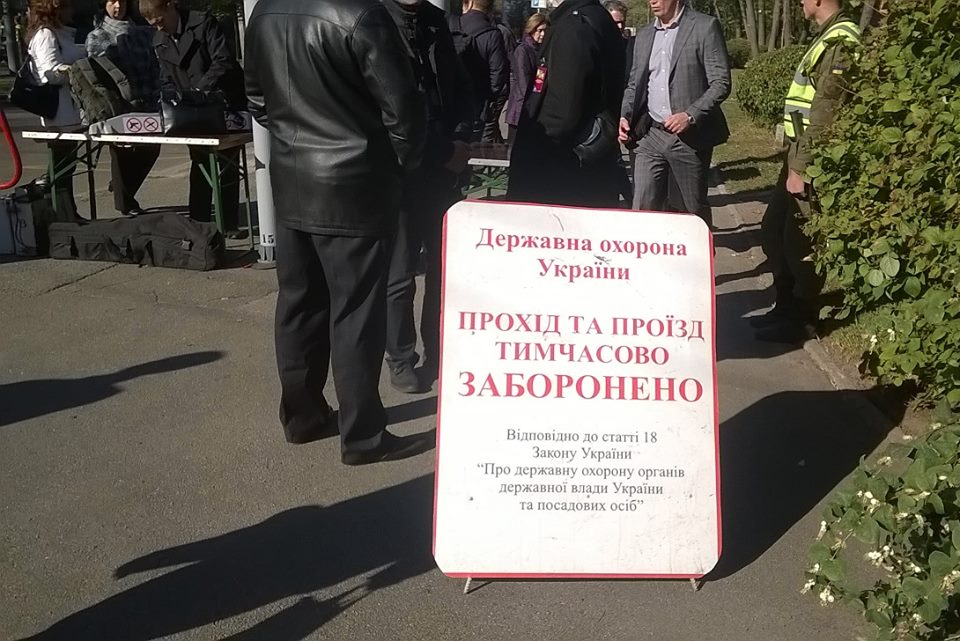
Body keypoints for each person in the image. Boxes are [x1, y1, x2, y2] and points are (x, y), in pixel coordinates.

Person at [245, 0, 429, 464]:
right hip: (354, 185)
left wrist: (297, 137)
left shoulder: (265, 11)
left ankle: (303, 417)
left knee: (298, 305)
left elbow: (257, 100)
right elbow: (403, 111)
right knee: (356, 312)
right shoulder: (362, 14)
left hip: (292, 179)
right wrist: (399, 168)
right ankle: (363, 436)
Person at [752, 0, 860, 344]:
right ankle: (784, 307)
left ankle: (802, 318)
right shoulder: (827, 35)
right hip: (796, 152)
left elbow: (826, 113)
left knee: (800, 240)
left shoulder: (842, 40)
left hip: (812, 159)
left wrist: (801, 168)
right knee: (774, 231)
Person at [381, 0, 474, 394]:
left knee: (442, 267)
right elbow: (390, 110)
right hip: (400, 167)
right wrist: (444, 150)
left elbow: (459, 89)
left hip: (442, 167)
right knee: (400, 273)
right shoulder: (375, 18)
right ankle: (401, 358)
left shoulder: (436, 22)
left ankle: (439, 350)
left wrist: (462, 136)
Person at [139, 0, 246, 238]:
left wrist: (200, 90)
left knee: (227, 164)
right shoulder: (160, 40)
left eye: (160, 21)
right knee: (200, 163)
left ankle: (228, 224)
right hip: (190, 110)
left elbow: (223, 60)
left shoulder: (204, 23)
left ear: (170, 6)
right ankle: (198, 223)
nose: (159, 27)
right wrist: (175, 99)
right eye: (153, 24)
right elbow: (166, 77)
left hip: (223, 102)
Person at [619, 0, 731, 227]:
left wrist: (690, 115)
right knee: (642, 207)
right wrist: (625, 115)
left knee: (693, 211)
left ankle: (700, 248)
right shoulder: (644, 35)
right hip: (650, 135)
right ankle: (647, 248)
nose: (653, 1)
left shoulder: (704, 27)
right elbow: (634, 83)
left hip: (688, 138)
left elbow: (721, 82)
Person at [506, 0, 625, 208]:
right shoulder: (596, 17)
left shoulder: (574, 26)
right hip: (590, 168)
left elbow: (563, 111)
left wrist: (535, 146)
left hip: (563, 172)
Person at [86, 0, 160, 216]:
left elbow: (154, 65)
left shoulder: (144, 33)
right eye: (112, 1)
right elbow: (99, 75)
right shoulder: (97, 36)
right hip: (118, 104)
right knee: (122, 151)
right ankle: (126, 203)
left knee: (152, 148)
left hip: (147, 100)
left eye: (122, 1)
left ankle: (122, 187)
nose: (118, 6)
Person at [26, 0, 85, 220]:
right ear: (56, 9)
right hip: (59, 110)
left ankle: (67, 212)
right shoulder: (46, 35)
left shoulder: (59, 33)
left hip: (68, 107)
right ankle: (61, 214)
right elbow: (50, 72)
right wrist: (77, 71)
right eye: (68, 6)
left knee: (67, 164)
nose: (72, 10)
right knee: (61, 165)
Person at [448, 0, 509, 143]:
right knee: (475, 146)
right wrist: (488, 100)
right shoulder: (492, 34)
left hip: (449, 101)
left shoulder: (450, 26)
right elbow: (498, 76)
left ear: (468, 3)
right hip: (477, 104)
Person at [504, 13, 546, 146]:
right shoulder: (523, 50)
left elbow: (539, 82)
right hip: (521, 109)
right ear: (531, 30)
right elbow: (524, 83)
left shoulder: (541, 51)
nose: (543, 34)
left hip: (533, 108)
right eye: (539, 30)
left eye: (545, 30)